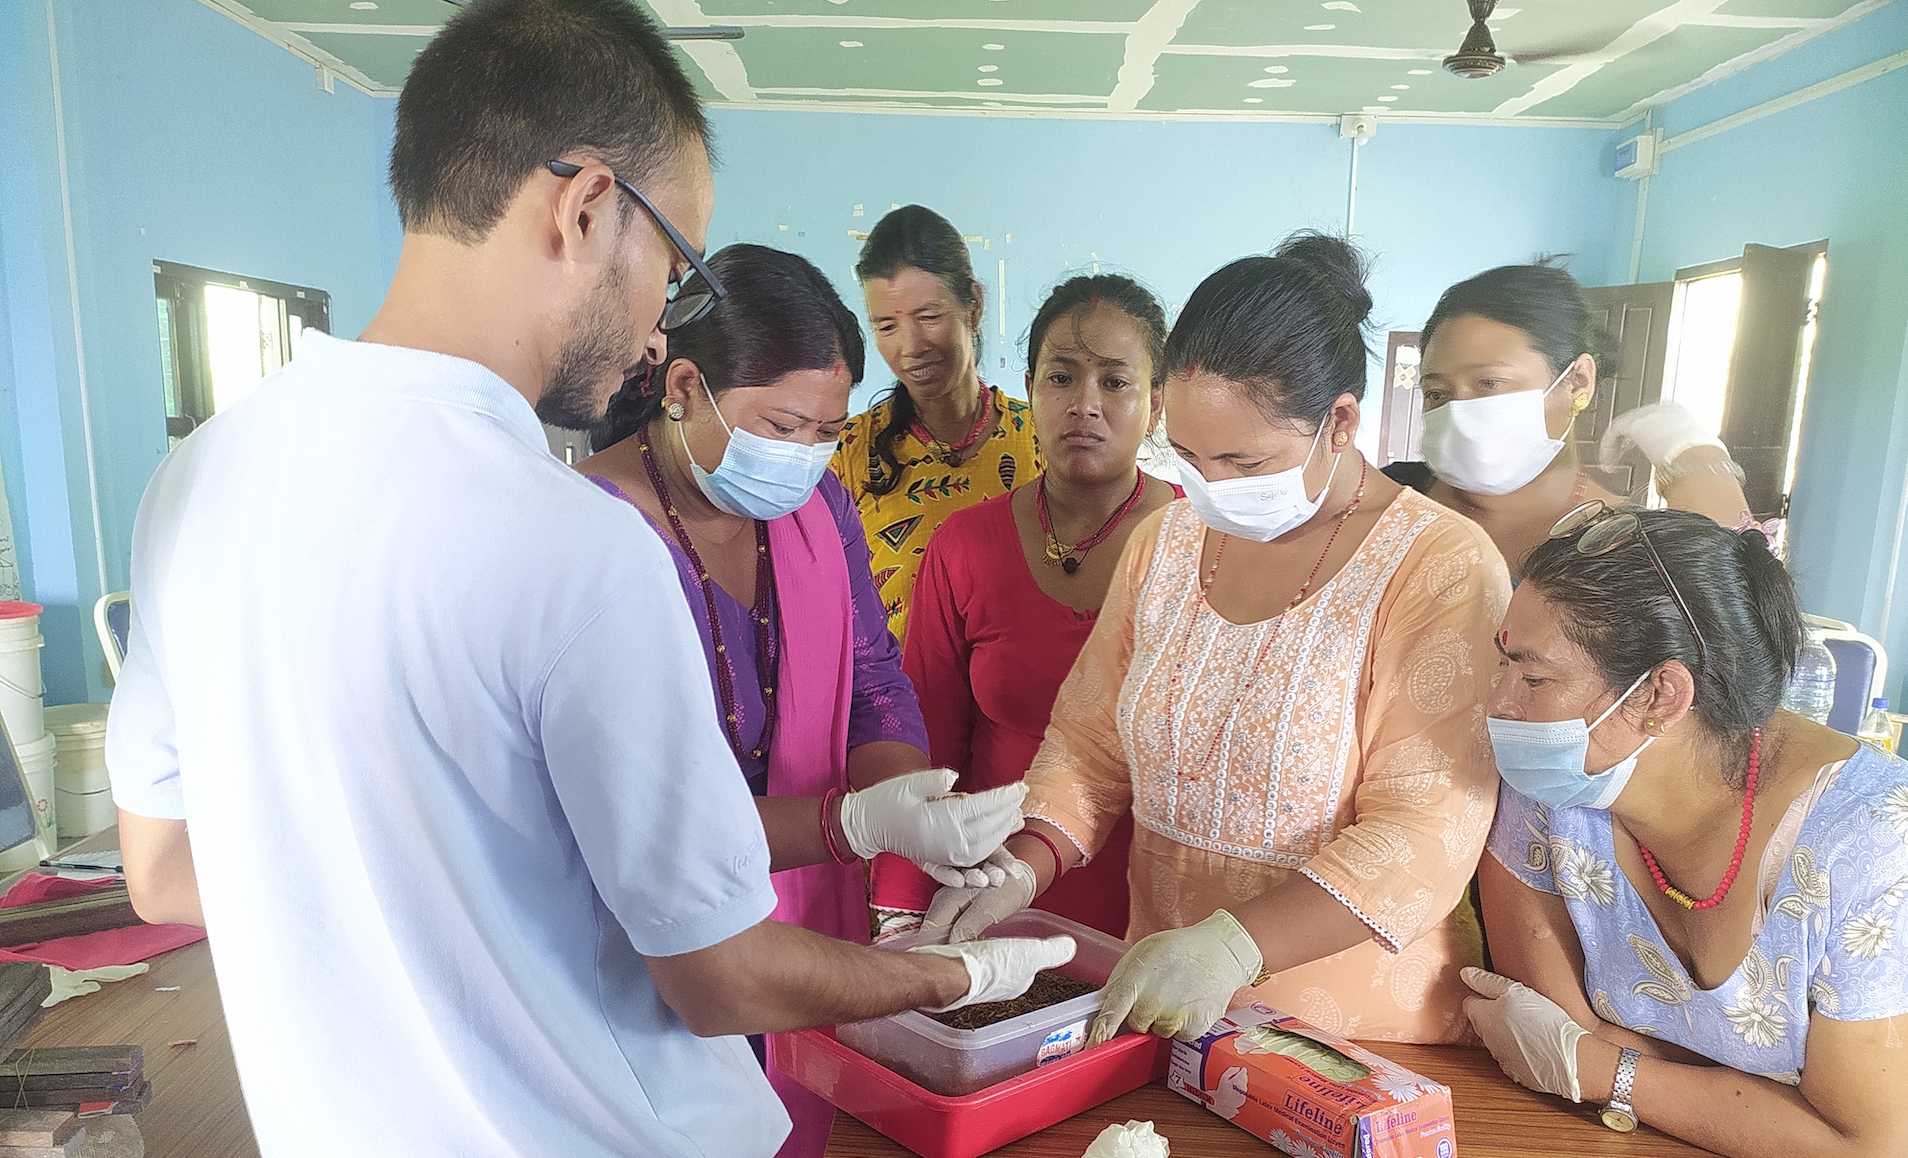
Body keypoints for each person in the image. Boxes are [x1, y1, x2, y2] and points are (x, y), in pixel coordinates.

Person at [104, 5, 1070, 1155]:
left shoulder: (195, 482)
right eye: (674, 261)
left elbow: (164, 872)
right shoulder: (578, 542)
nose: (664, 322)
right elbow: (720, 980)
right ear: (586, 206)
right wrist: (949, 974)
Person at [926, 234, 1513, 1046]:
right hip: (1162, 1012)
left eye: (1244, 459)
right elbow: (1089, 750)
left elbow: (1425, 831)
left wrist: (1234, 945)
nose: (1215, 487)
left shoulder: (1439, 566)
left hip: (1347, 1038)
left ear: (1339, 422)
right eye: (1192, 458)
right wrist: (1024, 863)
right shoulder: (1163, 544)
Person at [578, 242, 1029, 1157]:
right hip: (649, 961)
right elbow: (650, 819)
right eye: (782, 426)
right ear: (684, 387)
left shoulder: (819, 508)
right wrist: (855, 822)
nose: (807, 457)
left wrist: (915, 807)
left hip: (810, 931)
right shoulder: (592, 538)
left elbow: (872, 678)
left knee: (792, 1126)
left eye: (829, 430)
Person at [1463, 504, 1907, 1157]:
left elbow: (1870, 1143)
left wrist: (1603, 1072)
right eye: (1504, 664)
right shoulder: (1554, 786)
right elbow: (1553, 1029)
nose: (1498, 702)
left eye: (1532, 676)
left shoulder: (1872, 844)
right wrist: (1764, 1107)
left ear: (1660, 696)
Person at [872, 275, 1180, 940]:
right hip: (989, 903)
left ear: (1156, 403)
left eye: (1115, 382)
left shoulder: (1202, 543)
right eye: (1061, 378)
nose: (1085, 405)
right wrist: (898, 912)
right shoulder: (964, 546)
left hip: (1160, 921)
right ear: (1031, 390)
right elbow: (930, 743)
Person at [1390, 262, 1753, 577]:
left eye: (1489, 383)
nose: (1458, 414)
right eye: (1437, 393)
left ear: (1578, 380)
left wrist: (1695, 458)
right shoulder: (1388, 497)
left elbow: (1739, 617)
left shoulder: (1623, 542)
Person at [831, 205, 1041, 643]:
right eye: (887, 326)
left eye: (929, 317)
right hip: (897, 707)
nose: (911, 346)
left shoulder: (1041, 439)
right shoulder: (847, 455)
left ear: (975, 304)